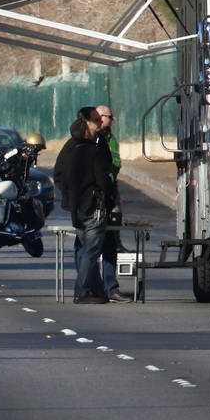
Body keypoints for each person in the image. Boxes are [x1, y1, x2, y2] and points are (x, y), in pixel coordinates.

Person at [53, 108, 112, 304]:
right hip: (93, 207)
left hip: (77, 207)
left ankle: (95, 290)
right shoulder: (91, 150)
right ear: (86, 123)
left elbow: (59, 175)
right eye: (96, 120)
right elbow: (103, 178)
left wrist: (71, 198)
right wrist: (105, 198)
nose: (100, 123)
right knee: (90, 250)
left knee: (84, 249)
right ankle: (82, 290)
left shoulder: (72, 147)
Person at [96, 104, 130, 303]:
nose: (111, 120)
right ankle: (91, 288)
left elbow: (116, 162)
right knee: (89, 247)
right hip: (92, 200)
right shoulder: (90, 139)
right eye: (109, 117)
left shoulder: (110, 139)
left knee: (109, 243)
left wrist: (110, 174)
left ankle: (111, 288)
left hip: (109, 195)